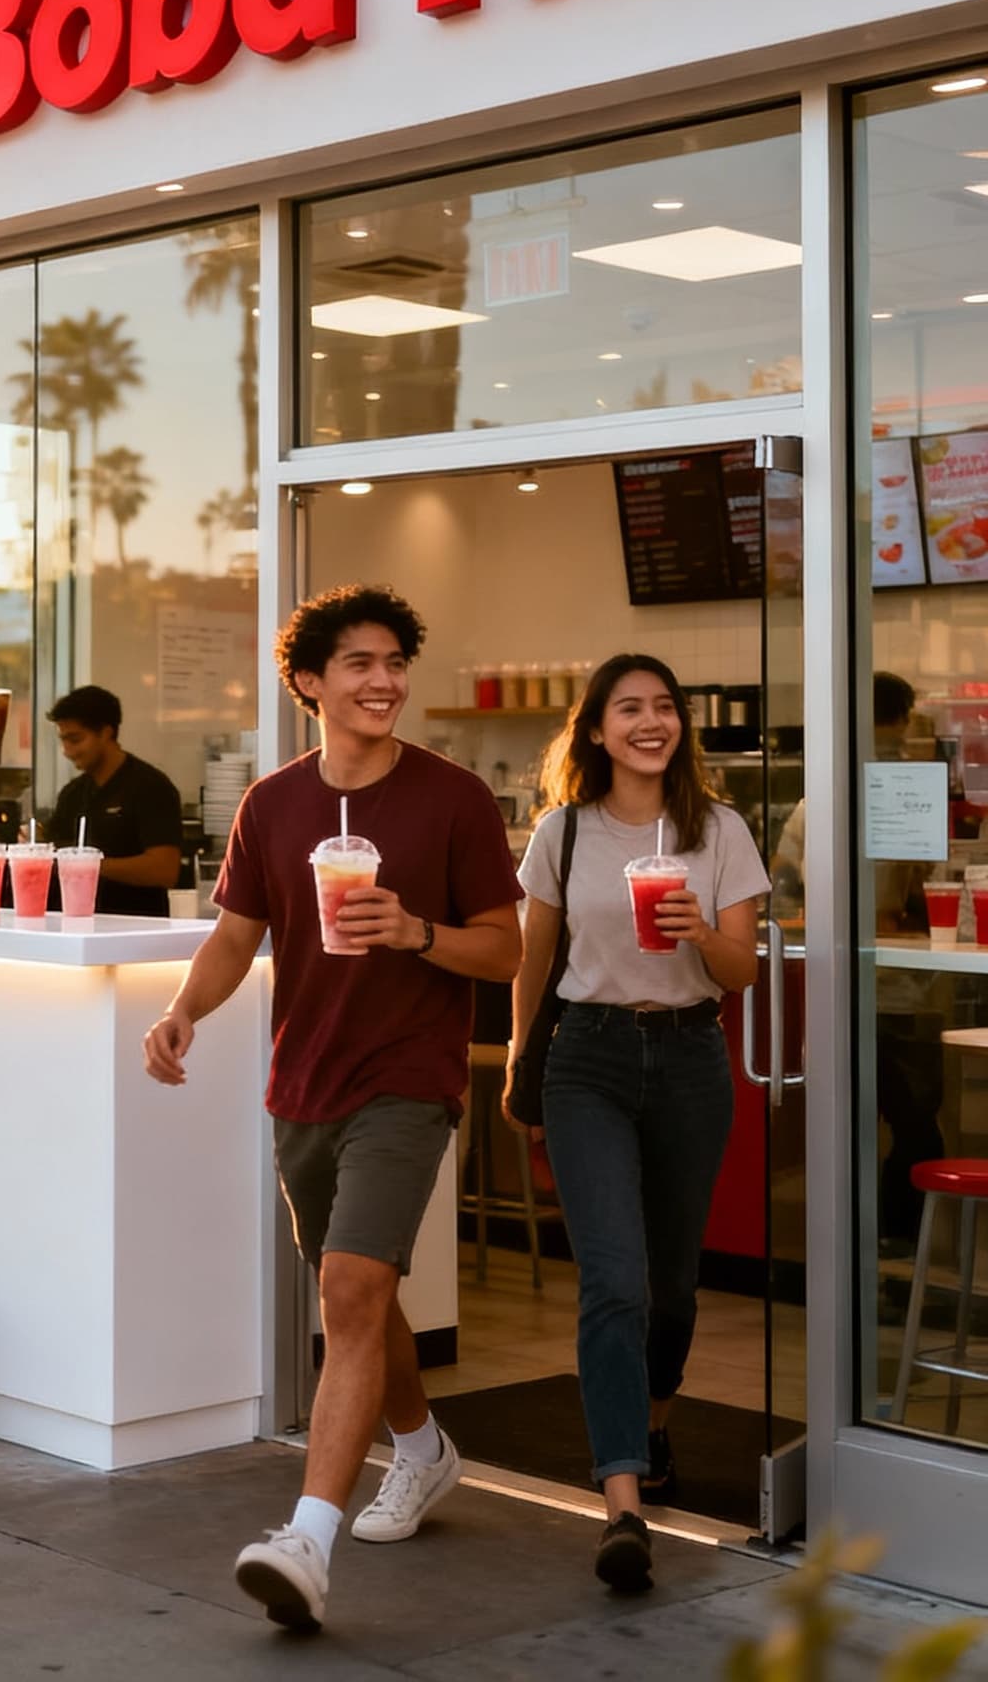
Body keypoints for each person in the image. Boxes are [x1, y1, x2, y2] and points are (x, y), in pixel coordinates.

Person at [143, 586, 523, 1633]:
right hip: (300, 1079)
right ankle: (421, 1446)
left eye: (394, 660)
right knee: (359, 1296)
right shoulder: (270, 803)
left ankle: (305, 1534)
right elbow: (235, 934)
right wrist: (181, 1010)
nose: (382, 679)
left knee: (351, 1284)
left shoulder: (451, 799)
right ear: (306, 681)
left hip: (405, 1078)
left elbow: (502, 945)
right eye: (357, 662)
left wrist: (413, 931)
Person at [508, 654, 767, 1593]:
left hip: (692, 1058)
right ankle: (622, 1502)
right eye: (630, 708)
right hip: (589, 1058)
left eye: (664, 708)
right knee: (611, 1278)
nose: (650, 722)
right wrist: (517, 1058)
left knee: (672, 1285)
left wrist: (704, 932)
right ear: (596, 728)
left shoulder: (721, 831)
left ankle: (655, 1421)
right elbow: (534, 960)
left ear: (681, 727)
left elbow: (739, 974)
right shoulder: (562, 834)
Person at [772, 671, 945, 1249]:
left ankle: (863, 1253)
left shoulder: (814, 800)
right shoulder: (914, 789)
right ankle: (887, 1250)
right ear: (900, 719)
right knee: (918, 1129)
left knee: (871, 1127)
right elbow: (929, 893)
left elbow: (784, 888)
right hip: (897, 992)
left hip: (846, 990)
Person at [43, 685, 185, 916]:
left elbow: (164, 869)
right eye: (63, 741)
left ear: (106, 732)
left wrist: (89, 866)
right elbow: (56, 853)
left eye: (75, 739)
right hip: (78, 925)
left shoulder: (151, 787)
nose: (67, 751)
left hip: (136, 930)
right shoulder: (73, 793)